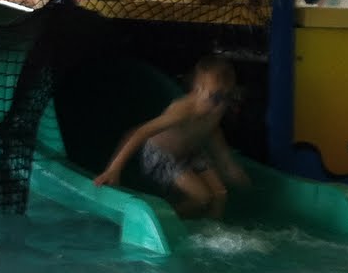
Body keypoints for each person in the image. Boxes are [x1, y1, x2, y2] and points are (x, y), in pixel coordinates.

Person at [93, 56, 249, 219]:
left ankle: (214, 231)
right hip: (161, 156)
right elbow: (141, 132)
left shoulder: (216, 107)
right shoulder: (183, 110)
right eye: (216, 97)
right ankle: (162, 219)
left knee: (220, 194)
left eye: (227, 96)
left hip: (190, 153)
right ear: (198, 89)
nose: (220, 104)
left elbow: (213, 133)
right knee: (202, 197)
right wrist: (113, 169)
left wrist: (229, 165)